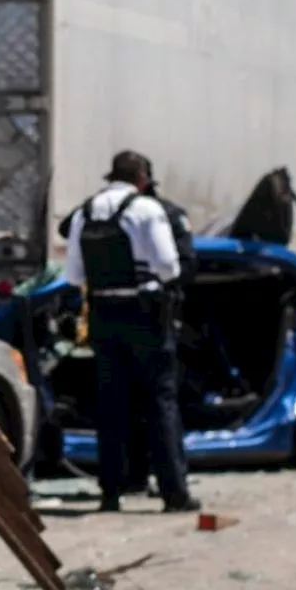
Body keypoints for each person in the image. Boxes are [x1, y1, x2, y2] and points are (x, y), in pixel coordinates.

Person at [63, 150, 200, 513]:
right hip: (145, 316)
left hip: (104, 316)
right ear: (142, 177)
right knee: (161, 401)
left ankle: (110, 493)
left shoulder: (83, 213)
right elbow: (170, 267)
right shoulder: (145, 209)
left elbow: (73, 277)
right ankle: (175, 493)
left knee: (110, 405)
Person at [123, 166, 196, 497]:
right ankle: (173, 488)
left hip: (131, 320)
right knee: (160, 403)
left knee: (133, 403)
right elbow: (181, 270)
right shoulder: (164, 214)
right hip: (156, 320)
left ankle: (131, 480)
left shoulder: (102, 213)